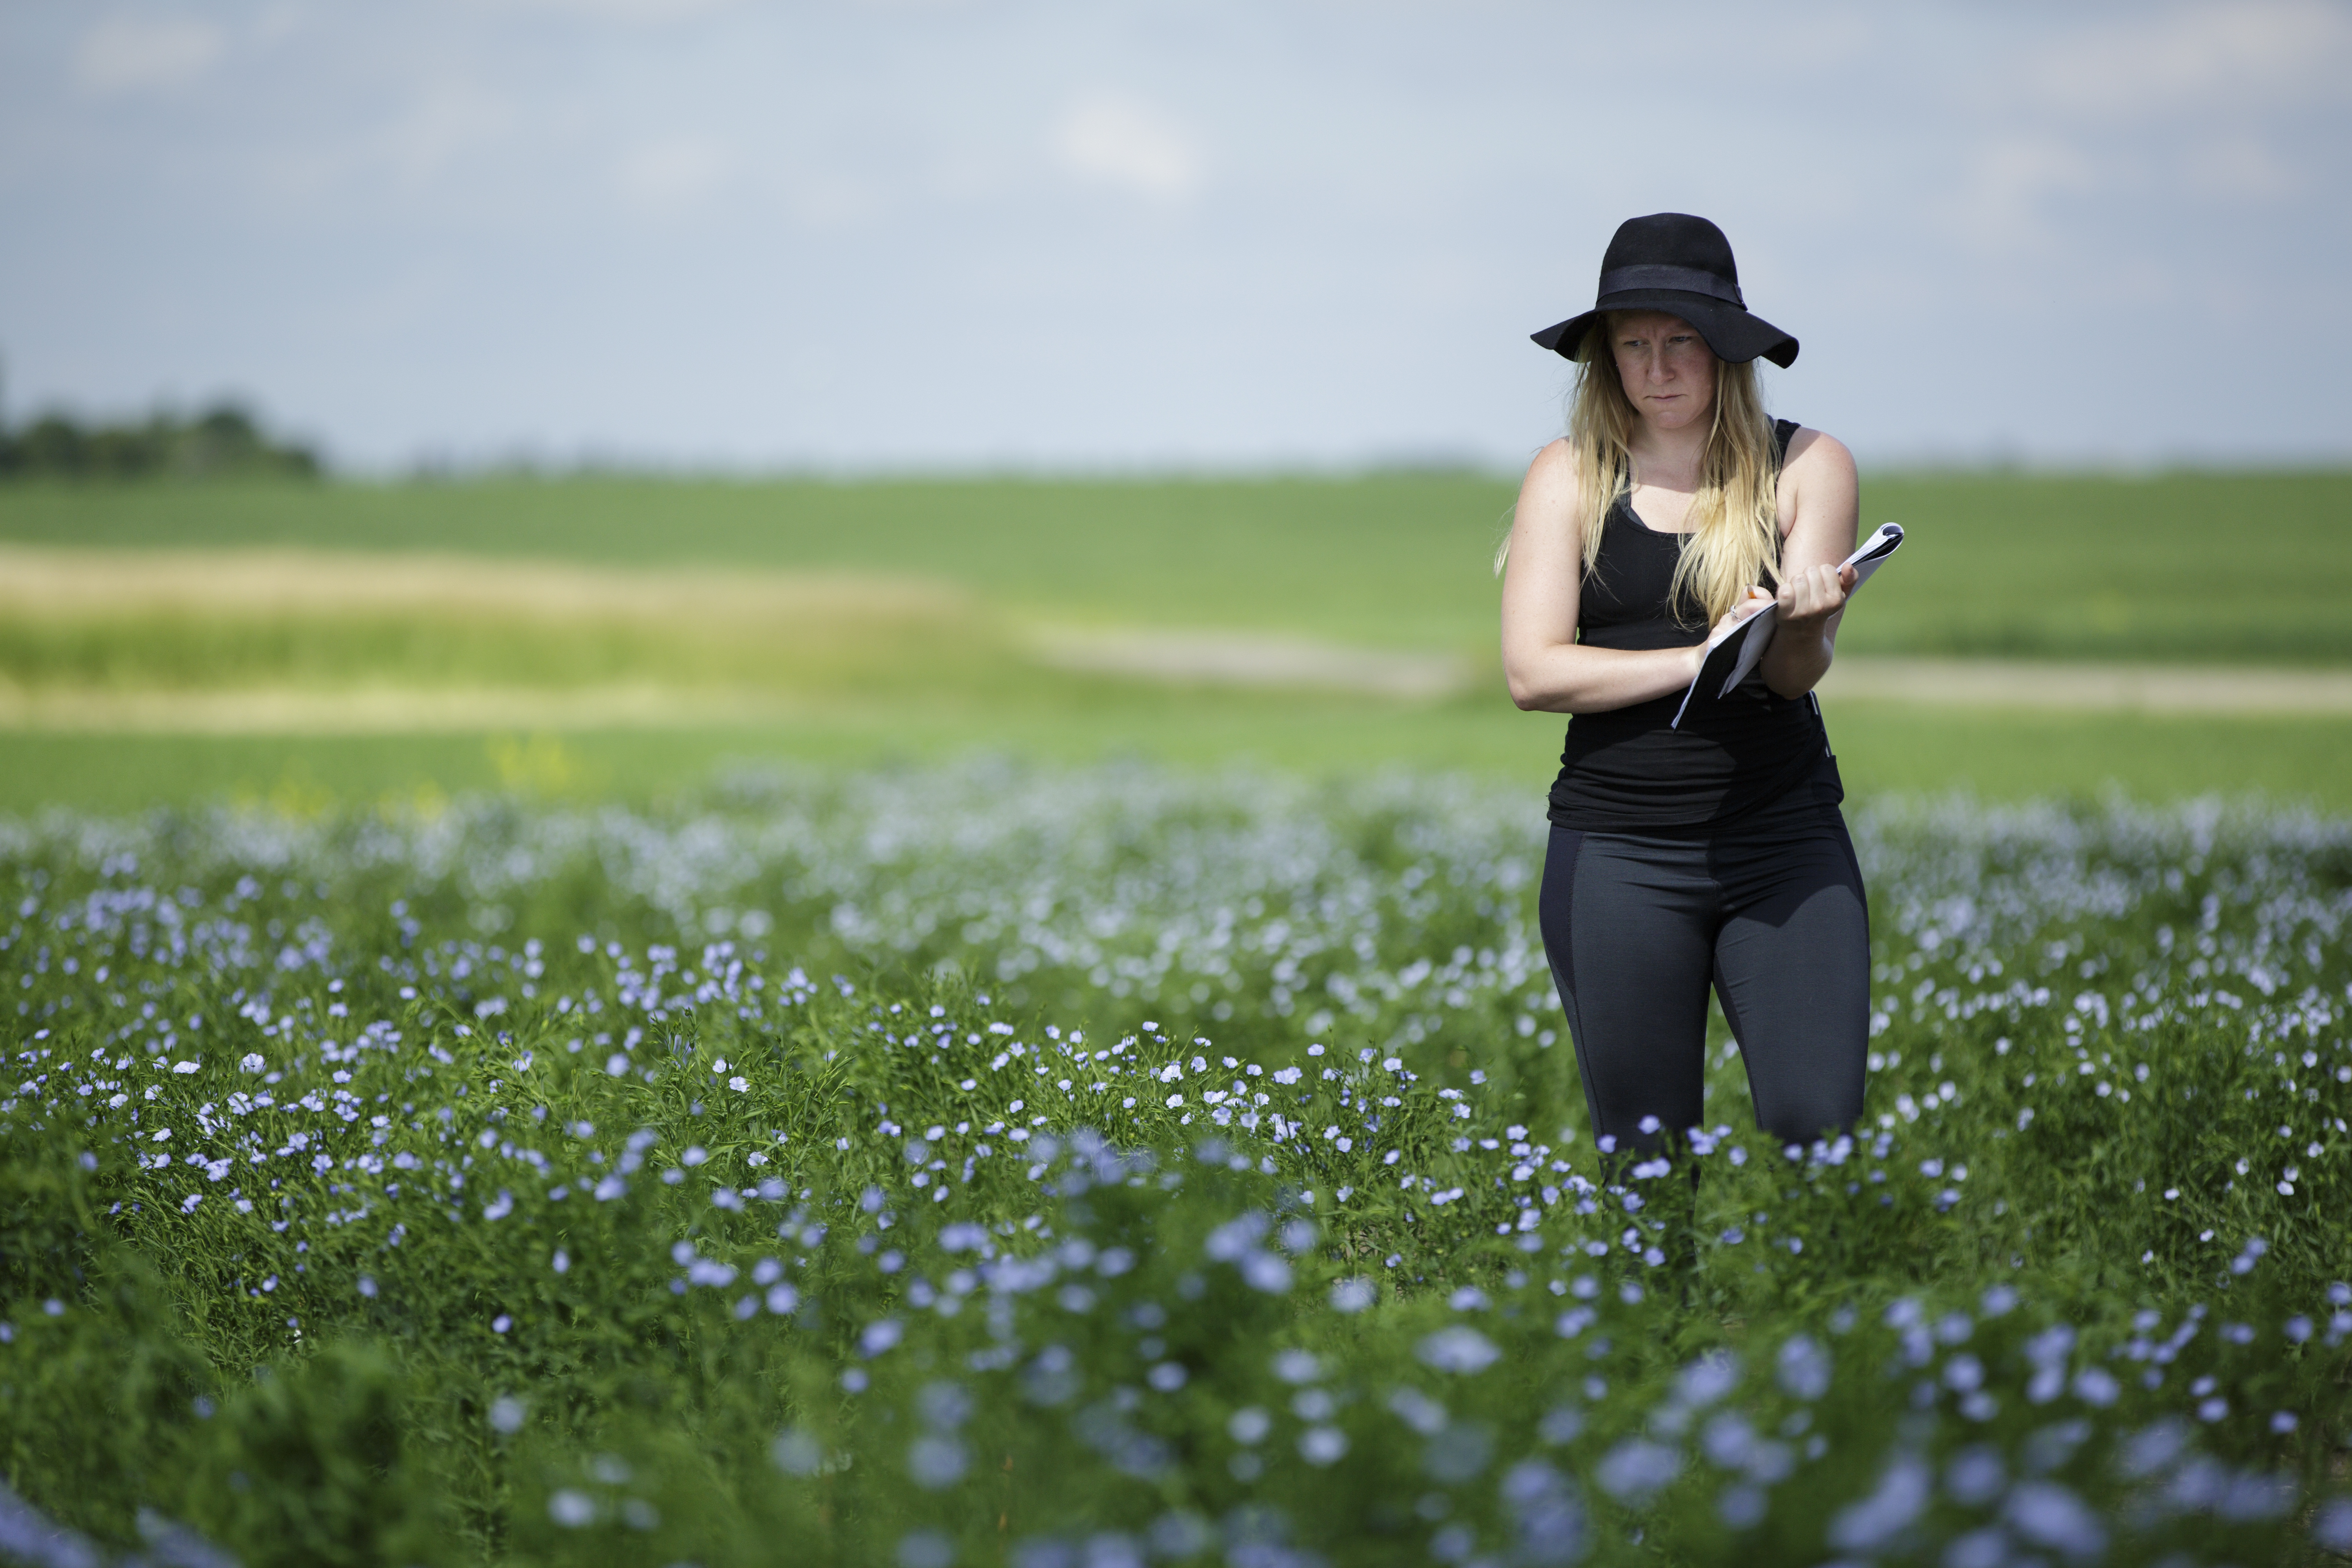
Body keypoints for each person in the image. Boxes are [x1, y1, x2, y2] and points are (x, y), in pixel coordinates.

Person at [1497, 212, 1869, 1165]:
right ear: (1605, 359)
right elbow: (1532, 671)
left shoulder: (1808, 465)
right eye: (1632, 347)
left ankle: (1824, 1316)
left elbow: (1790, 681)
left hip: (1784, 841)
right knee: (1646, 1165)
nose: (1656, 369)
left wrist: (1806, 625)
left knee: (1816, 1130)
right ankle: (1655, 1322)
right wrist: (1698, 659)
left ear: (1726, 353)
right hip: (1617, 854)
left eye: (1679, 344)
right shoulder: (1568, 475)